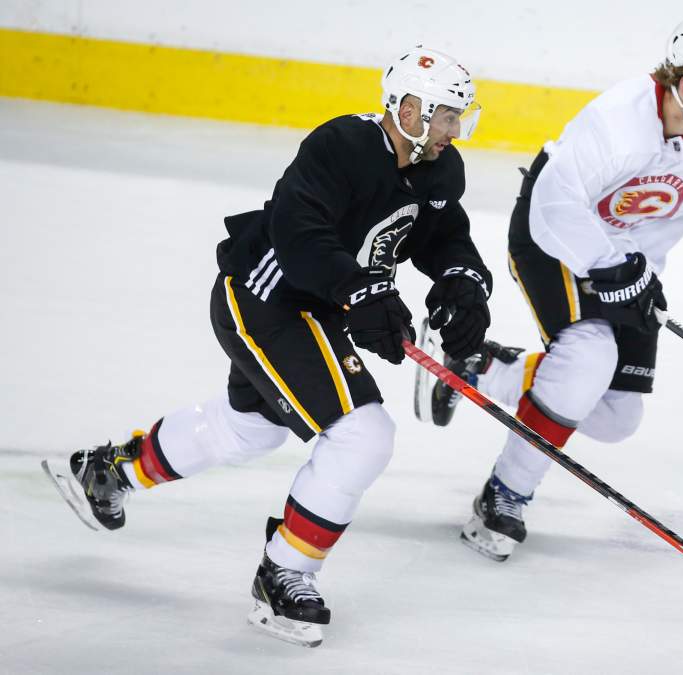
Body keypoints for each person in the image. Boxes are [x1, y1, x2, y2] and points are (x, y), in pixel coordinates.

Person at [42, 46, 493, 647]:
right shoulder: (341, 147)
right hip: (266, 300)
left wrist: (464, 283)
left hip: (318, 308)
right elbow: (299, 233)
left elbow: (444, 236)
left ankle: (110, 469)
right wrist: (362, 293)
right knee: (363, 433)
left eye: (459, 118)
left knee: (249, 427)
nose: (453, 131)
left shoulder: (439, 169)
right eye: (444, 116)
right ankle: (284, 573)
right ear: (408, 108)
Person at [413, 15, 683, 562]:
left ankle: (482, 368)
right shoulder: (619, 120)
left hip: (630, 264)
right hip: (552, 238)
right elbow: (554, 209)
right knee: (586, 357)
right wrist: (608, 266)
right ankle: (503, 496)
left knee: (617, 416)